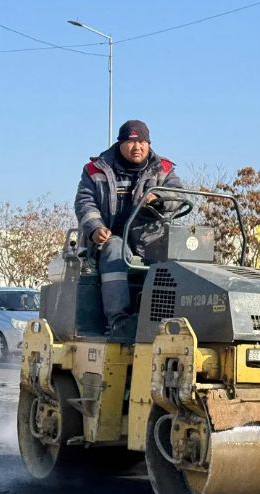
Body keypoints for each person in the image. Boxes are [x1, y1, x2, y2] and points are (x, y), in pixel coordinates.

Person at [74, 119, 183, 334]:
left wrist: (159, 198)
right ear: (120, 143)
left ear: (149, 144)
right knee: (115, 250)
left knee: (177, 255)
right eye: (131, 142)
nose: (137, 147)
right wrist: (95, 228)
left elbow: (178, 195)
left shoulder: (164, 169)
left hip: (151, 238)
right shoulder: (95, 170)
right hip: (111, 238)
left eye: (142, 142)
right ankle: (119, 322)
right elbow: (85, 203)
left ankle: (162, 321)